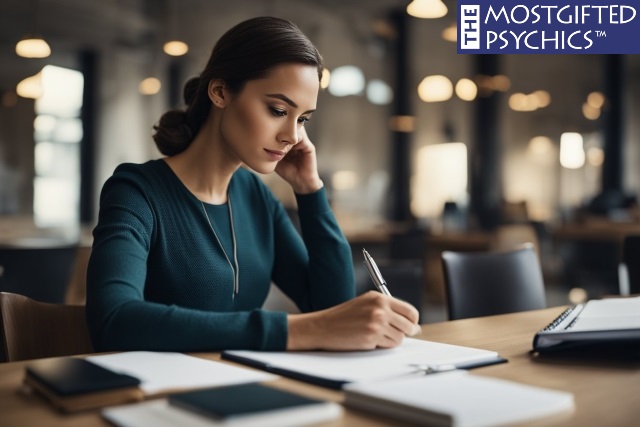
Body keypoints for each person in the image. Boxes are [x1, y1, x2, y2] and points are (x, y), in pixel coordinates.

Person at [86, 16, 419, 353]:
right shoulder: (136, 191)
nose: (292, 136)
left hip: (241, 385)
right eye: (277, 110)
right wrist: (294, 331)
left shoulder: (255, 196)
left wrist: (310, 190)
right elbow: (113, 320)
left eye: (302, 119)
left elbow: (331, 306)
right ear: (219, 93)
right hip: (157, 395)